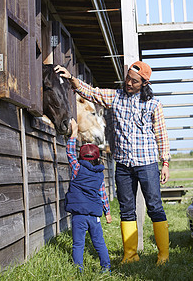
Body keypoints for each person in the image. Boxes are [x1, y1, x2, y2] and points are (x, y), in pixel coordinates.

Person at [55, 61, 170, 265]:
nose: (128, 82)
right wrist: (72, 78)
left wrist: (165, 162)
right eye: (127, 78)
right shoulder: (115, 97)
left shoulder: (154, 104)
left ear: (144, 83)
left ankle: (163, 255)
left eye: (134, 81)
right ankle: (130, 255)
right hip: (123, 165)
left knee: (154, 206)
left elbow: (161, 134)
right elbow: (91, 92)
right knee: (126, 208)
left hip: (147, 163)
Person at [65, 118, 112, 272]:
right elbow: (103, 194)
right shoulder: (100, 175)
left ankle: (79, 270)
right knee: (99, 242)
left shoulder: (77, 168)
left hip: (79, 215)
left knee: (78, 244)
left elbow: (70, 153)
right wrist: (108, 212)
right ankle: (106, 268)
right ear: (98, 158)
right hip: (94, 216)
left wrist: (73, 133)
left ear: (81, 157)